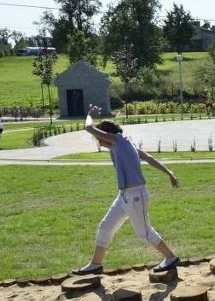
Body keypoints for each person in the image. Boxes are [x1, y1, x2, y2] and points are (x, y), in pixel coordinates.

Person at [72, 105, 181, 275]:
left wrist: (89, 115)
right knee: (106, 227)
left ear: (107, 135)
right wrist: (169, 172)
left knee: (144, 233)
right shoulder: (125, 142)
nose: (99, 142)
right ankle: (96, 264)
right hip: (123, 196)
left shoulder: (117, 140)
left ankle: (171, 258)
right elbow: (148, 157)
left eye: (100, 138)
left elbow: (88, 127)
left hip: (136, 195)